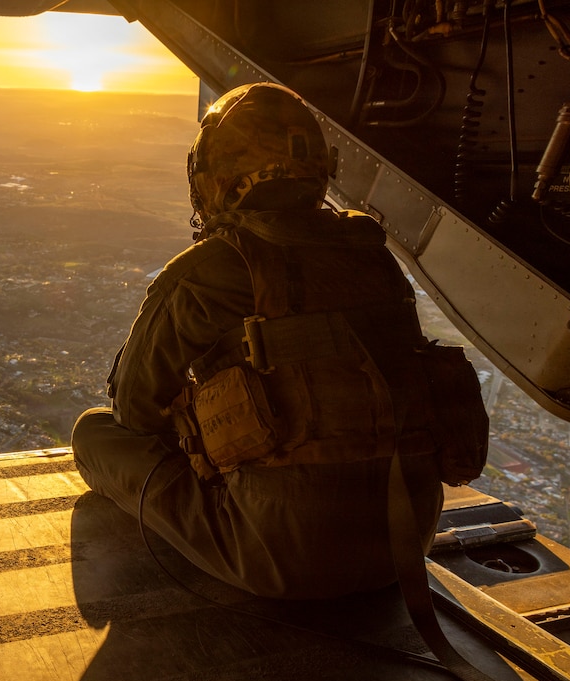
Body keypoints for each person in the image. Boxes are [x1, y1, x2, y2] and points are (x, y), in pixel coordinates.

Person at [71, 82, 486, 600]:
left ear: (214, 179)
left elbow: (132, 410)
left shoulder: (215, 267)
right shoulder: (373, 257)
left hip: (280, 558)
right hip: (403, 545)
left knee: (95, 434)